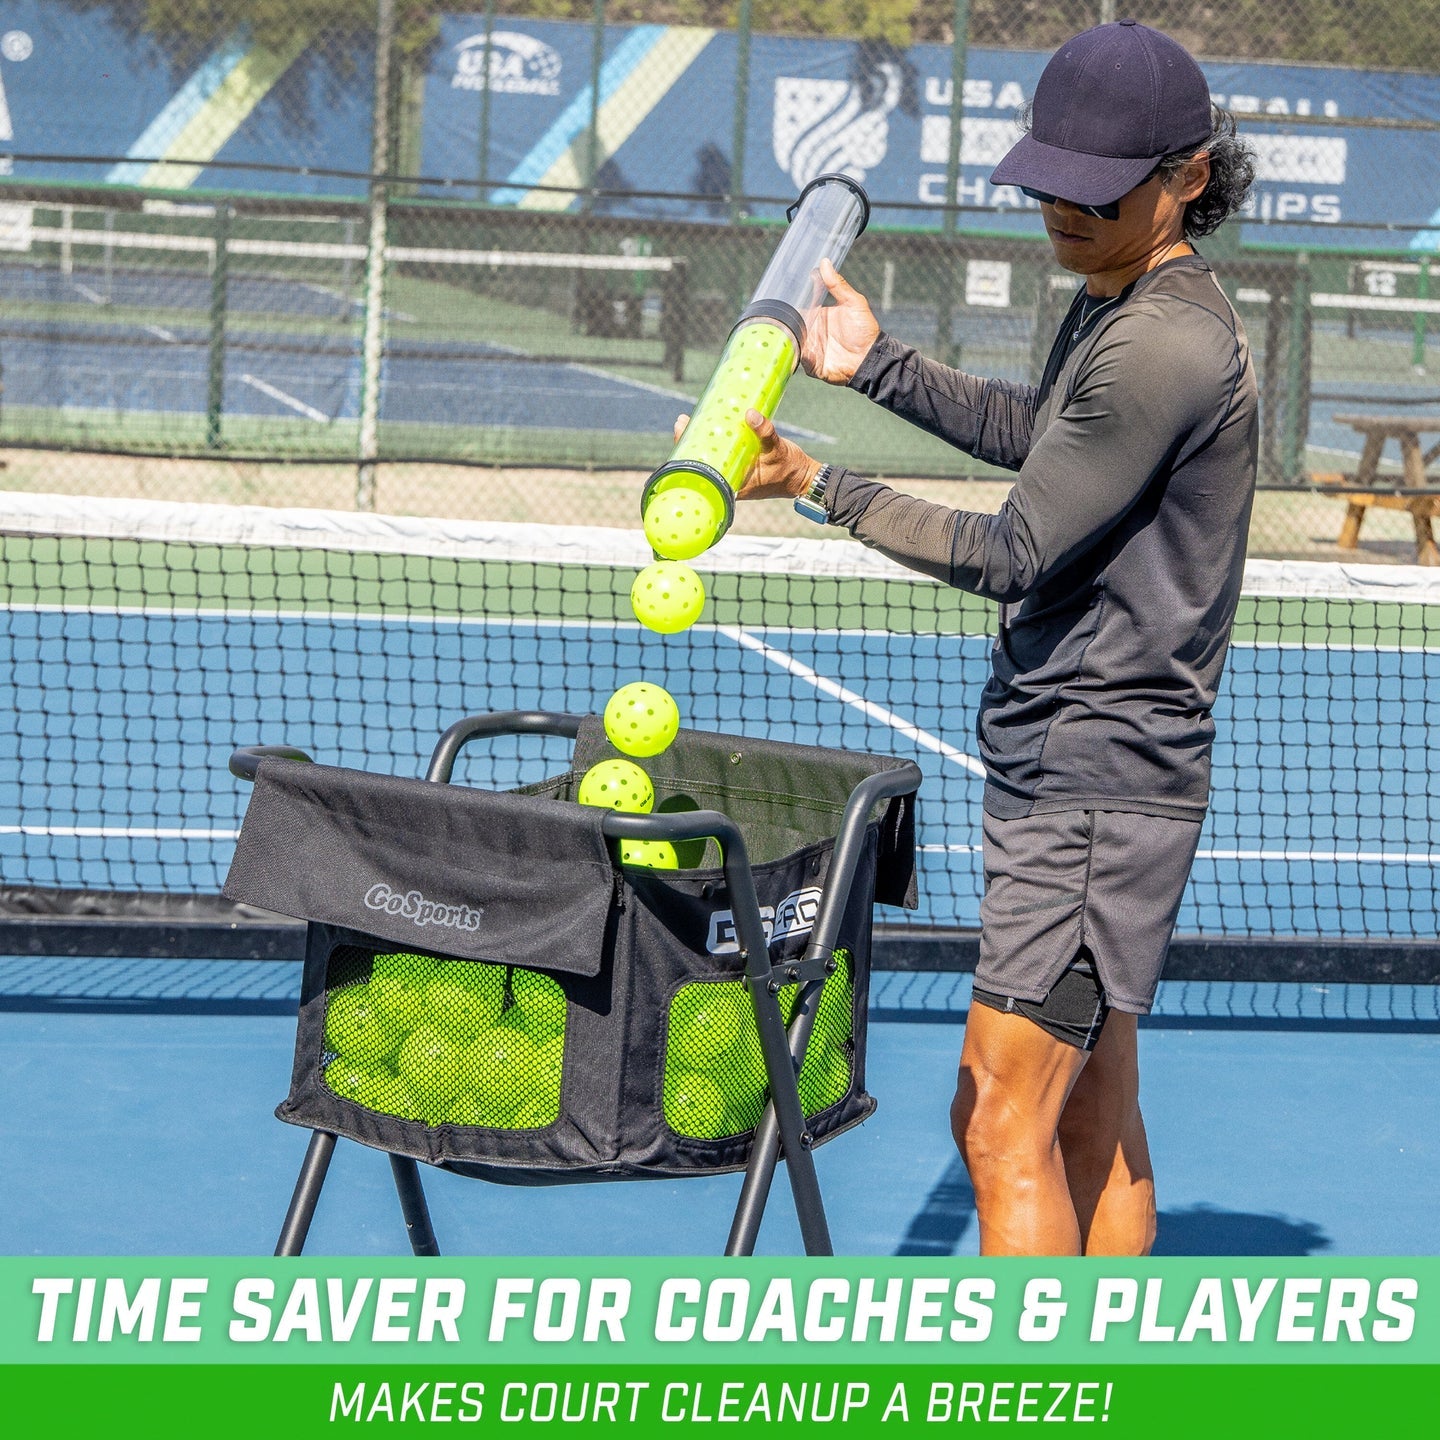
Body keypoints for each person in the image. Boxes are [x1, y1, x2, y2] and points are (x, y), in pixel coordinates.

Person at [677, 21, 1259, 1255]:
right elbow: (1035, 433)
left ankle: (1020, 1390)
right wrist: (872, 364)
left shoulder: (1162, 340)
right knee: (1092, 1113)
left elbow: (1011, 549)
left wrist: (822, 485)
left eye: (1097, 192)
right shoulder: (1123, 296)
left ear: (1188, 179)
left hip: (1097, 784)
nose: (1061, 209)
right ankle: (1110, 1380)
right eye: (1050, 179)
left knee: (1000, 1123)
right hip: (1082, 768)